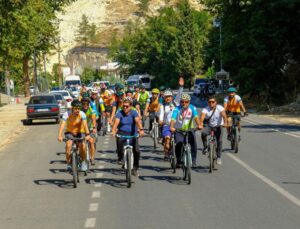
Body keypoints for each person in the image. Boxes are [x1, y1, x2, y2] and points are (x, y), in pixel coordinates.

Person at [111, 97, 144, 176]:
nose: (125, 108)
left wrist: (141, 129)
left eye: (127, 106)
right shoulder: (119, 113)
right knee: (119, 142)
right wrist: (113, 130)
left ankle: (135, 168)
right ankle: (120, 157)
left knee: (137, 151)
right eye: (124, 106)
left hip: (133, 134)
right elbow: (116, 122)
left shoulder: (134, 112)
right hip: (122, 133)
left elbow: (137, 121)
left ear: (131, 106)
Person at [57, 99, 91, 171]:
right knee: (68, 145)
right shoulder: (67, 114)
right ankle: (69, 163)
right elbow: (62, 125)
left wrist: (88, 134)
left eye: (79, 108)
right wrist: (59, 136)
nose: (77, 110)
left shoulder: (82, 114)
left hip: (80, 132)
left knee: (83, 146)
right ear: (72, 108)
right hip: (70, 132)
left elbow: (85, 125)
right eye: (75, 108)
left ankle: (83, 162)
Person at [170, 94, 201, 168]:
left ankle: (193, 161)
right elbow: (173, 119)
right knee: (179, 144)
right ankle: (179, 160)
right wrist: (171, 127)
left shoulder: (192, 108)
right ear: (180, 102)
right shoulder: (177, 109)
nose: (184, 103)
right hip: (179, 130)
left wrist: (199, 125)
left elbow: (196, 117)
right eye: (182, 102)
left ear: (189, 102)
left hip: (189, 129)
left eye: (186, 102)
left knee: (193, 144)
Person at [159, 78, 184, 161]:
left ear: (172, 97)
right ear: (164, 98)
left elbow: (180, 94)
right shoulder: (162, 105)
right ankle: (166, 154)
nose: (168, 98)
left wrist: (181, 86)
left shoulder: (175, 103)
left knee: (180, 142)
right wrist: (160, 120)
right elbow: (161, 114)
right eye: (166, 97)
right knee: (167, 139)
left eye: (169, 96)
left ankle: (179, 156)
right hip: (166, 125)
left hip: (177, 125)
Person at [199, 95, 228, 165]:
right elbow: (202, 118)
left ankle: (219, 157)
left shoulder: (220, 108)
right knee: (203, 133)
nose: (211, 103)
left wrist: (225, 123)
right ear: (208, 103)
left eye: (213, 102)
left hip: (219, 127)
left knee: (219, 141)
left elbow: (224, 116)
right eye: (209, 102)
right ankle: (205, 147)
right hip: (209, 126)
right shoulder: (205, 109)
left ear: (216, 102)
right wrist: (200, 124)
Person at [81, 97, 97, 165]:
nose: (85, 105)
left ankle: (92, 158)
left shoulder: (91, 110)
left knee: (91, 142)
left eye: (87, 104)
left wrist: (94, 127)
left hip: (90, 127)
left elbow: (93, 119)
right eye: (84, 104)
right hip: (81, 129)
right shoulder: (79, 111)